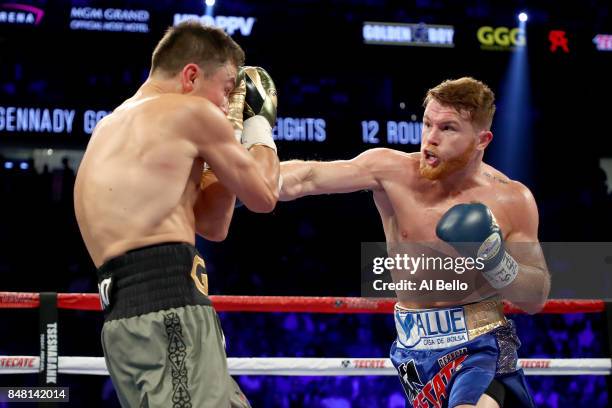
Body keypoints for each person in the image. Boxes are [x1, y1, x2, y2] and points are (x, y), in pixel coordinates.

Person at [279, 77, 550, 407]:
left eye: (448, 128)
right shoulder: (392, 171)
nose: (431, 138)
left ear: (482, 140)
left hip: (482, 343)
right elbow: (308, 176)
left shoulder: (511, 199)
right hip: (413, 350)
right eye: (427, 124)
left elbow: (535, 296)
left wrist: (495, 260)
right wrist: (243, 178)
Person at [74, 21, 280, 407]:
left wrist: (224, 142)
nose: (227, 102)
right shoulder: (190, 114)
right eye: (226, 87)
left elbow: (213, 225)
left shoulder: (107, 127)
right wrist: (257, 123)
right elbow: (264, 196)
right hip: (171, 315)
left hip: (122, 323)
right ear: (190, 76)